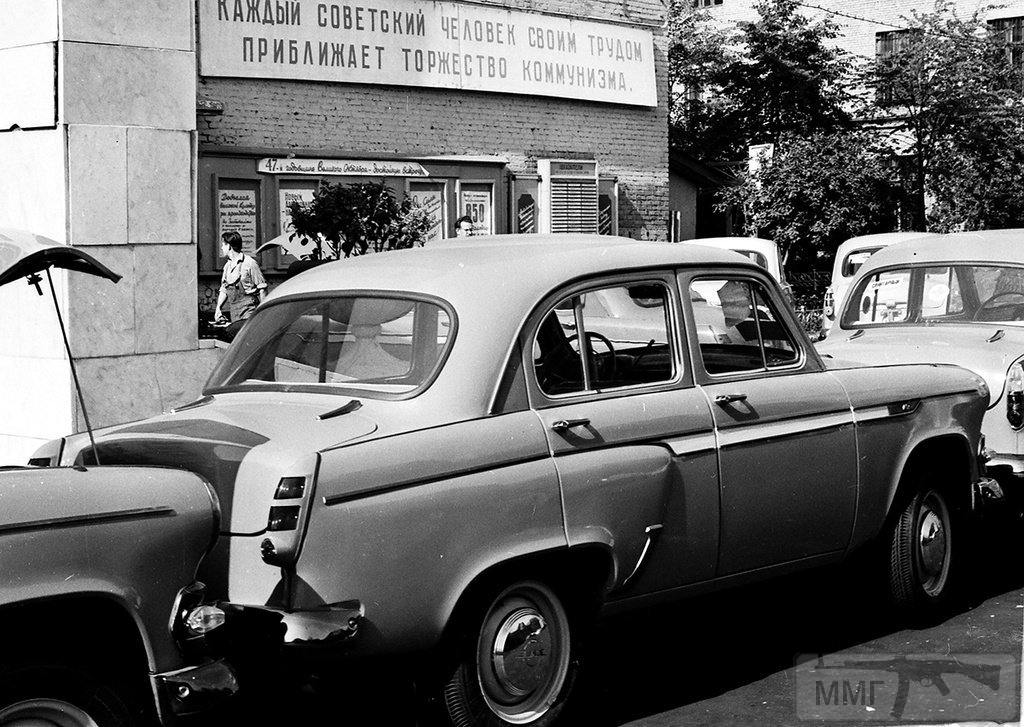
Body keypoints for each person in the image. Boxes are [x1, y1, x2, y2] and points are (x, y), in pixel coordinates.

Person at [214, 231, 267, 340]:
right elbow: (224, 289)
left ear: (229, 246)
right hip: (234, 313)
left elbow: (262, 288)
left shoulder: (250, 263)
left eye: (223, 245)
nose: (222, 248)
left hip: (249, 311)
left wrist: (263, 315)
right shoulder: (227, 266)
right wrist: (218, 308)